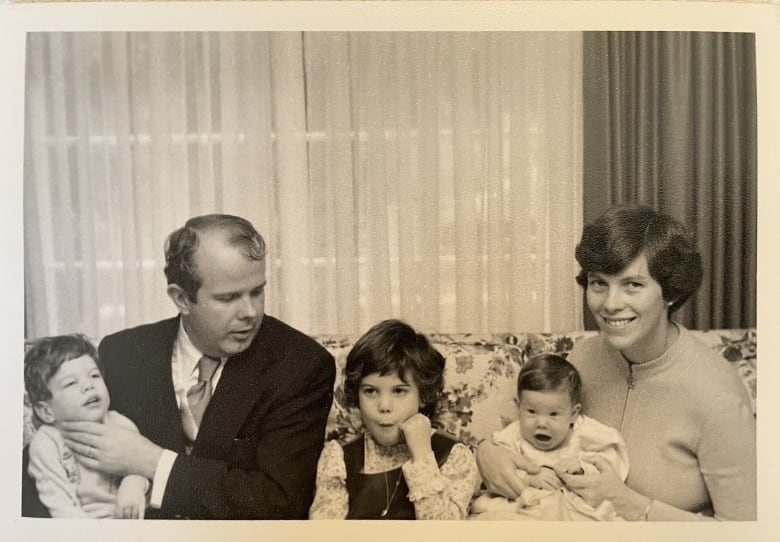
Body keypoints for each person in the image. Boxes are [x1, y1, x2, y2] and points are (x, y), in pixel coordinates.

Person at [475, 204, 756, 520]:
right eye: (599, 283)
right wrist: (487, 453)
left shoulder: (718, 395)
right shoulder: (582, 358)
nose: (610, 304)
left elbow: (744, 532)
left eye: (632, 285)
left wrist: (630, 503)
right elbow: (527, 434)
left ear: (671, 294)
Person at [47, 214, 335, 519]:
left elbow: (279, 502)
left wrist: (153, 461)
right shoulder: (121, 354)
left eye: (257, 291)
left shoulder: (301, 365)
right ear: (181, 298)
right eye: (228, 298)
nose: (250, 312)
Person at [309, 319, 479, 519]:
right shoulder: (339, 458)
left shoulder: (453, 456)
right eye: (371, 391)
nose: (384, 406)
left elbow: (442, 535)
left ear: (424, 395)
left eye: (399, 391)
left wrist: (423, 456)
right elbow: (324, 535)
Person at [470, 354, 628, 521]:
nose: (541, 423)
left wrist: (581, 467)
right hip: (524, 506)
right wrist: (529, 478)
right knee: (494, 516)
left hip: (570, 508)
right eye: (531, 411)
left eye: (554, 414)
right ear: (518, 407)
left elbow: (609, 462)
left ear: (573, 413)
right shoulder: (513, 435)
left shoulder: (585, 432)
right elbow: (498, 473)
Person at [24, 334, 149, 518]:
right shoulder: (46, 444)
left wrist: (133, 484)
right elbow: (61, 506)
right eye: (71, 383)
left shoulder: (120, 424)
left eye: (94, 375)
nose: (88, 385)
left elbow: (144, 466)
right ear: (46, 412)